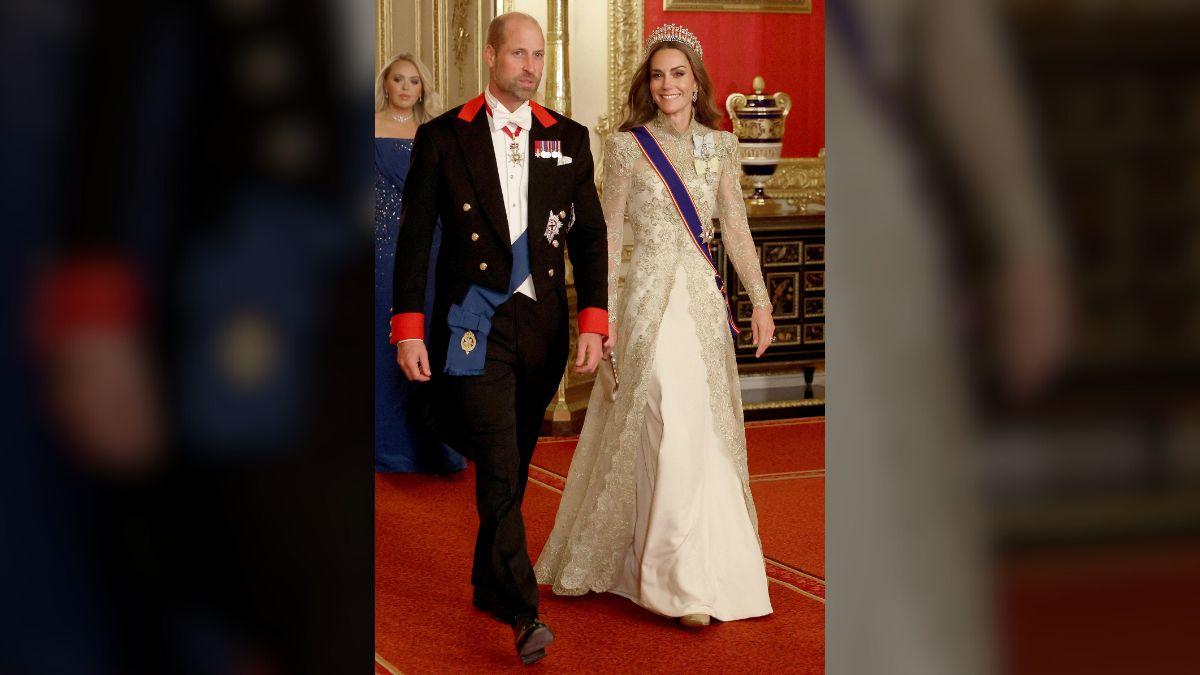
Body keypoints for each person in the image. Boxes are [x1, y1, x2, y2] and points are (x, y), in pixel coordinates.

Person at [534, 25, 776, 628]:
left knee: (696, 423)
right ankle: (672, 579)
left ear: (696, 84)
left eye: (678, 74)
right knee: (665, 413)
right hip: (643, 303)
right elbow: (609, 235)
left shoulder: (720, 146)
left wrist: (762, 301)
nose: (667, 84)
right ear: (649, 84)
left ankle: (694, 573)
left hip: (698, 302)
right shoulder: (625, 148)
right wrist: (602, 313)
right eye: (658, 74)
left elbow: (736, 231)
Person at [390, 13, 608, 665]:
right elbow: (415, 240)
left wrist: (594, 317)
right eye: (518, 54)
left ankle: (489, 580)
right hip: (472, 324)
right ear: (491, 57)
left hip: (539, 328)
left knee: (510, 459)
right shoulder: (443, 137)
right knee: (499, 458)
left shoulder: (566, 138)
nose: (530, 67)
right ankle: (522, 611)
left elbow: (591, 236)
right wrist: (406, 328)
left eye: (538, 56)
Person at [374, 54, 465, 474]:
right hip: (380, 246)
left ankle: (432, 442)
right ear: (386, 83)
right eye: (399, 79)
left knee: (426, 333)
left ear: (423, 88)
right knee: (382, 337)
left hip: (429, 246)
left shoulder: (434, 132)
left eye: (414, 81)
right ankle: (387, 442)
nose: (406, 87)